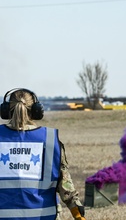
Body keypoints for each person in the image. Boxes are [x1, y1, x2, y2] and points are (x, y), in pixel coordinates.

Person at [0, 88, 86, 220]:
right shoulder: (50, 139)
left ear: (6, 110)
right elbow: (65, 186)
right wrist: (77, 212)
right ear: (36, 111)